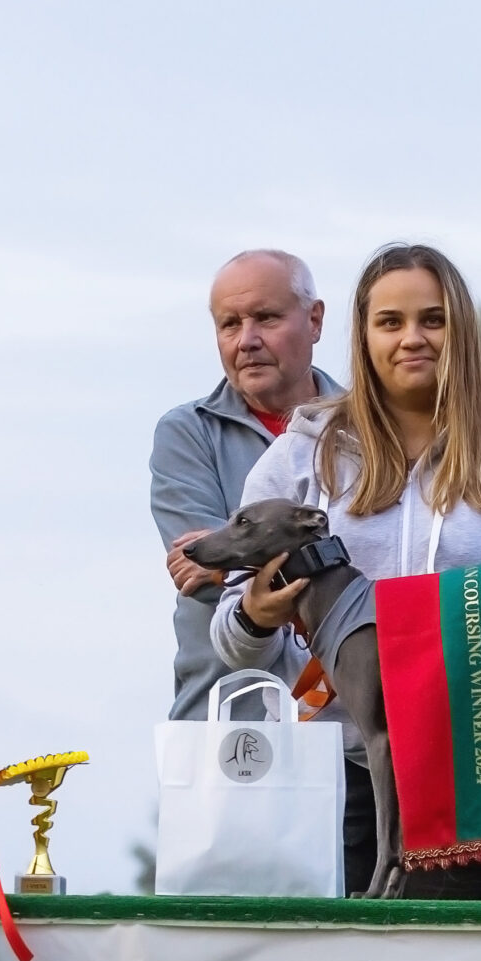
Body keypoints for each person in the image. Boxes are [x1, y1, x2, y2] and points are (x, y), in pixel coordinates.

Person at [213, 243, 481, 900]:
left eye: (433, 319)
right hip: (342, 774)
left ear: (462, 330)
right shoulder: (299, 457)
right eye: (390, 322)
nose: (412, 338)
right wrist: (258, 613)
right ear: (362, 336)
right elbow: (229, 633)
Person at [151, 250, 339, 721]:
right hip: (228, 717)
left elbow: (394, 560)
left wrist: (236, 563)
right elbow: (203, 566)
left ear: (315, 320)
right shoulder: (186, 433)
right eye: (229, 324)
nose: (247, 340)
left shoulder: (374, 431)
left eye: (267, 318)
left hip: (350, 725)